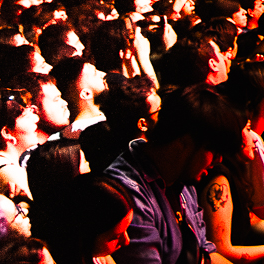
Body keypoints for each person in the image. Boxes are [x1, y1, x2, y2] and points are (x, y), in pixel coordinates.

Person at [103, 84, 241, 264]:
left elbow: (203, 253)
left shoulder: (181, 176)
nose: (218, 161)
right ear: (184, 143)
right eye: (213, 151)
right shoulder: (129, 192)